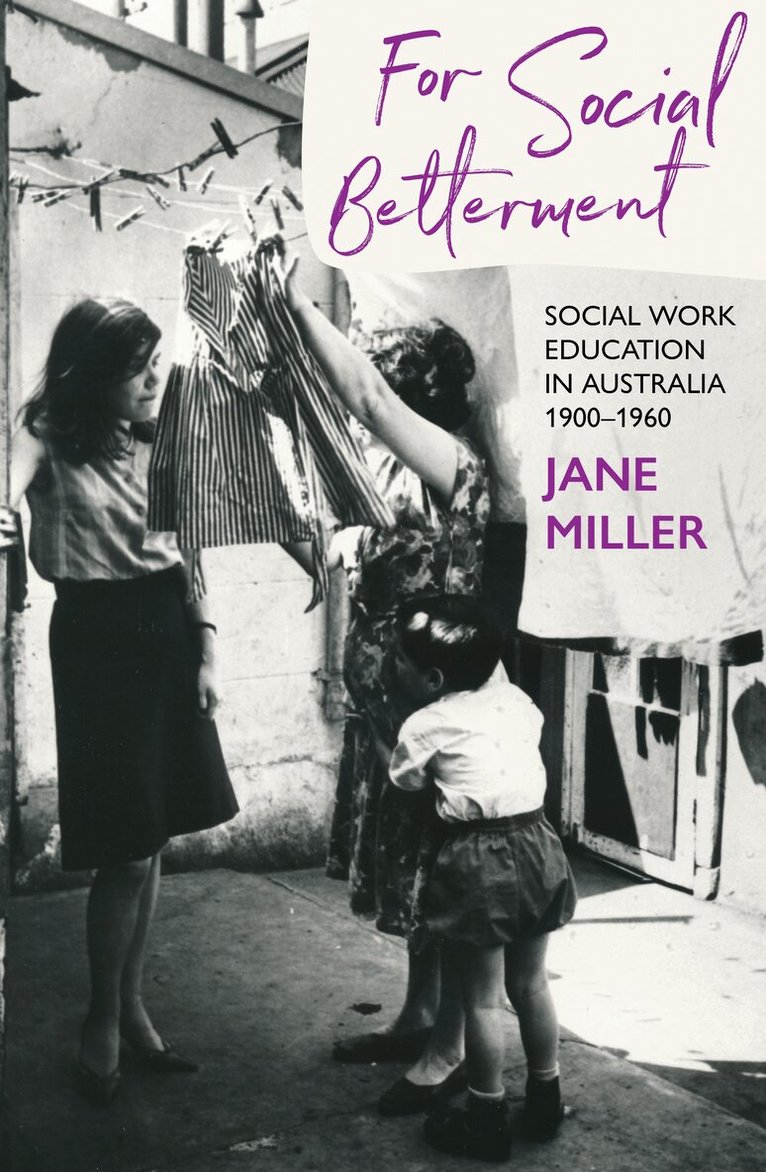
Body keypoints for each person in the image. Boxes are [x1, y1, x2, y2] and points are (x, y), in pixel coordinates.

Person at [0, 298, 239, 1105]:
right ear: (92, 373)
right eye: (135, 368)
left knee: (153, 831)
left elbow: (188, 552)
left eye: (156, 361)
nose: (153, 378)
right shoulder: (46, 435)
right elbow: (7, 484)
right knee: (126, 845)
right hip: (95, 639)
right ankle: (102, 1015)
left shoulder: (160, 439)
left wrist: (208, 648)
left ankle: (130, 1005)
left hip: (166, 630)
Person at [281, 258, 490, 1099]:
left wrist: (296, 304)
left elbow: (364, 397)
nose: (364, 412)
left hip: (432, 712)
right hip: (389, 716)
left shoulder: (454, 464)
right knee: (415, 873)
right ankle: (419, 1014)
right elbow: (330, 553)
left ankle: (451, 1048)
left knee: (443, 874)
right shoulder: (392, 475)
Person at [387, 595, 577, 1161]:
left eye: (400, 659)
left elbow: (406, 781)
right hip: (538, 843)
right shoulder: (518, 702)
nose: (393, 665)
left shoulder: (425, 723)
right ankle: (545, 1099)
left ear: (434, 678)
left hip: (477, 859)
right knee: (532, 985)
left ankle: (486, 1119)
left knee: (483, 1001)